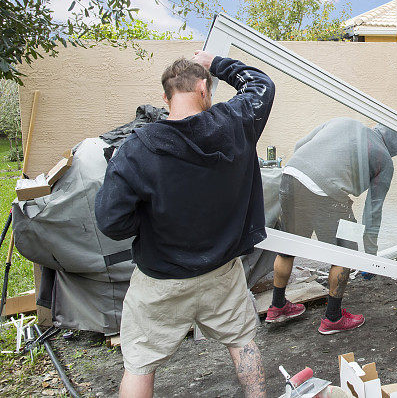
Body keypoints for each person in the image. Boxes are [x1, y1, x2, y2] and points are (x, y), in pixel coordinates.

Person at [95, 50, 274, 398]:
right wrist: (217, 63)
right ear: (205, 90)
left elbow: (111, 222)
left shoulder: (137, 148)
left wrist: (151, 219)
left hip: (161, 278)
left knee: (140, 364)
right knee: (242, 341)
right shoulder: (237, 121)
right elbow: (261, 84)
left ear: (165, 97)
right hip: (222, 272)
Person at [266, 117, 397, 334]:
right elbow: (373, 211)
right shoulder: (384, 160)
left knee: (288, 246)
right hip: (327, 195)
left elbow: (298, 146)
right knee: (346, 252)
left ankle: (277, 307)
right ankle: (333, 318)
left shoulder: (345, 122)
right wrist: (369, 256)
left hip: (291, 177)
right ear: (394, 148)